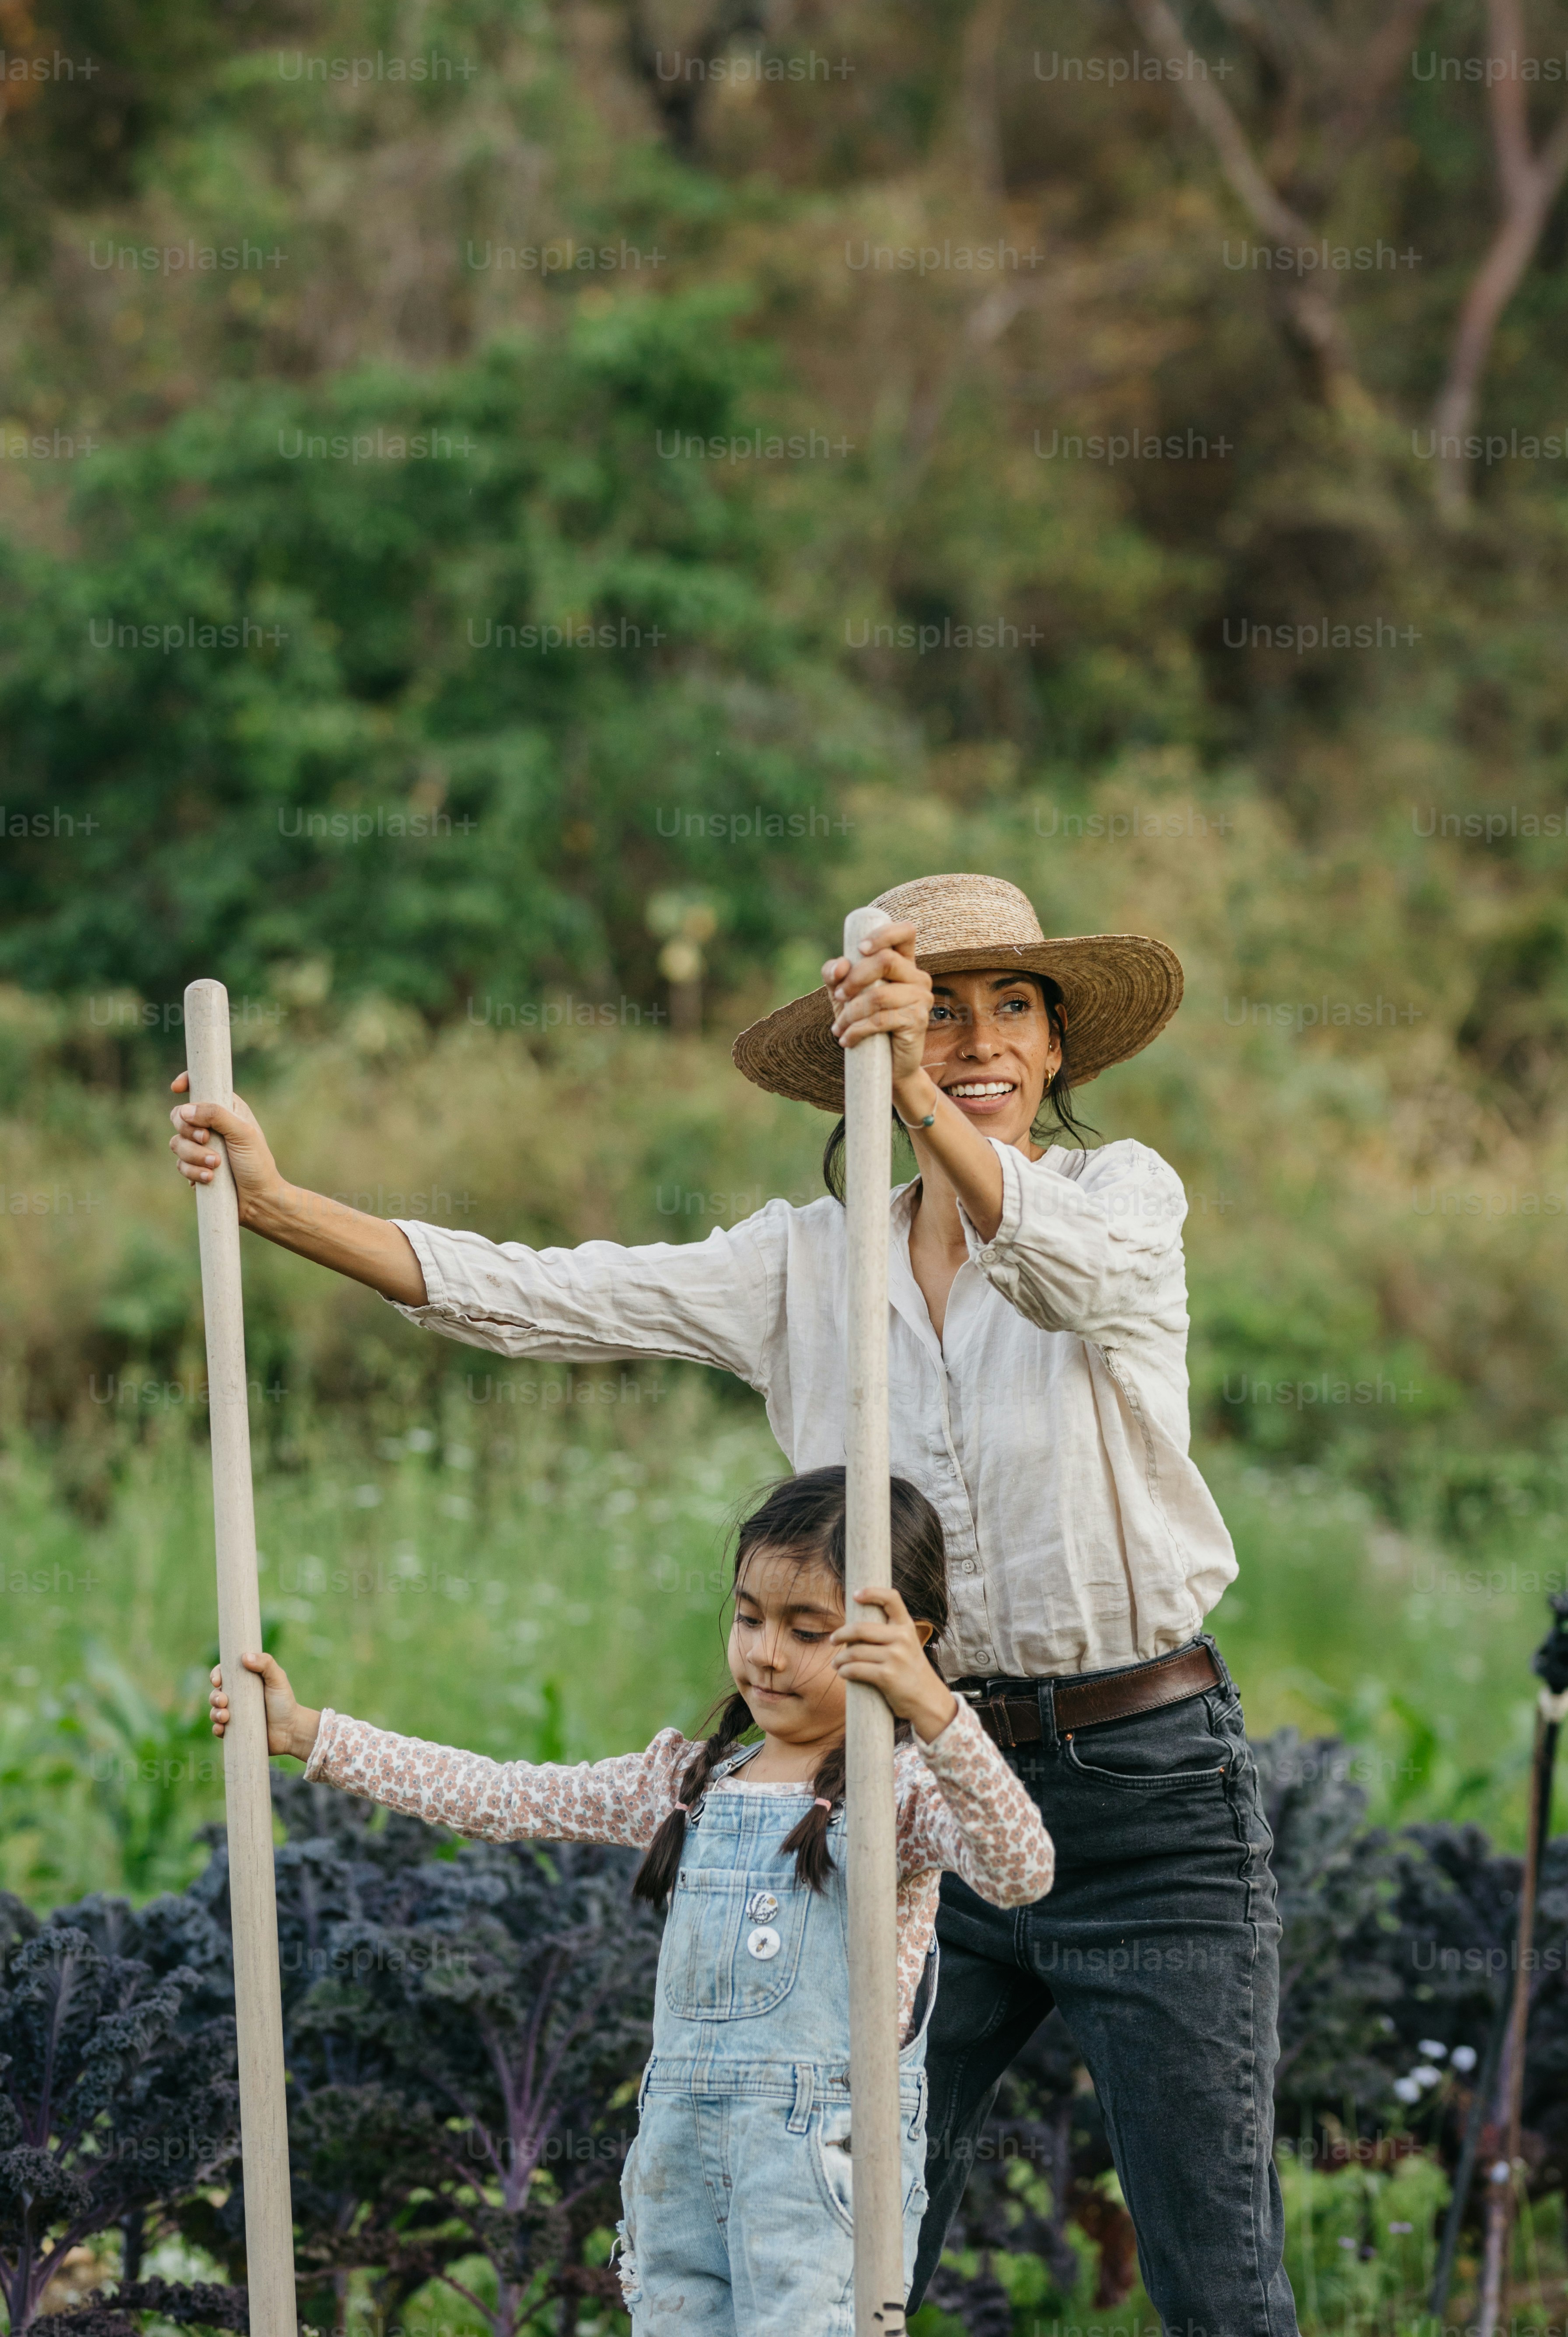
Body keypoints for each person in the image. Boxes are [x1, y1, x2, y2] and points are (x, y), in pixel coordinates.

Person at [171, 870, 1297, 2337]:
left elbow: (1070, 1277)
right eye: (937, 1014)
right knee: (849, 2264)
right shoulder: (801, 1267)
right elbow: (539, 1297)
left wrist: (925, 1102)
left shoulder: (1125, 1201)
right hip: (883, 1803)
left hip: (1142, 1790)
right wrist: (272, 1203)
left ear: (1063, 1046)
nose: (982, 1039)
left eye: (1013, 1007)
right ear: (859, 1057)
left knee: (1217, 2276)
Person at [209, 1467, 1052, 2336]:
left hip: (824, 2166)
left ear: (906, 1641)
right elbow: (502, 1797)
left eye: (807, 1631)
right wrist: (310, 1733)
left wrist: (938, 1712)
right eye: (749, 1617)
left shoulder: (898, 1796)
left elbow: (1020, 1866)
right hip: (681, 2156)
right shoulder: (687, 1782)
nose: (765, 1652)